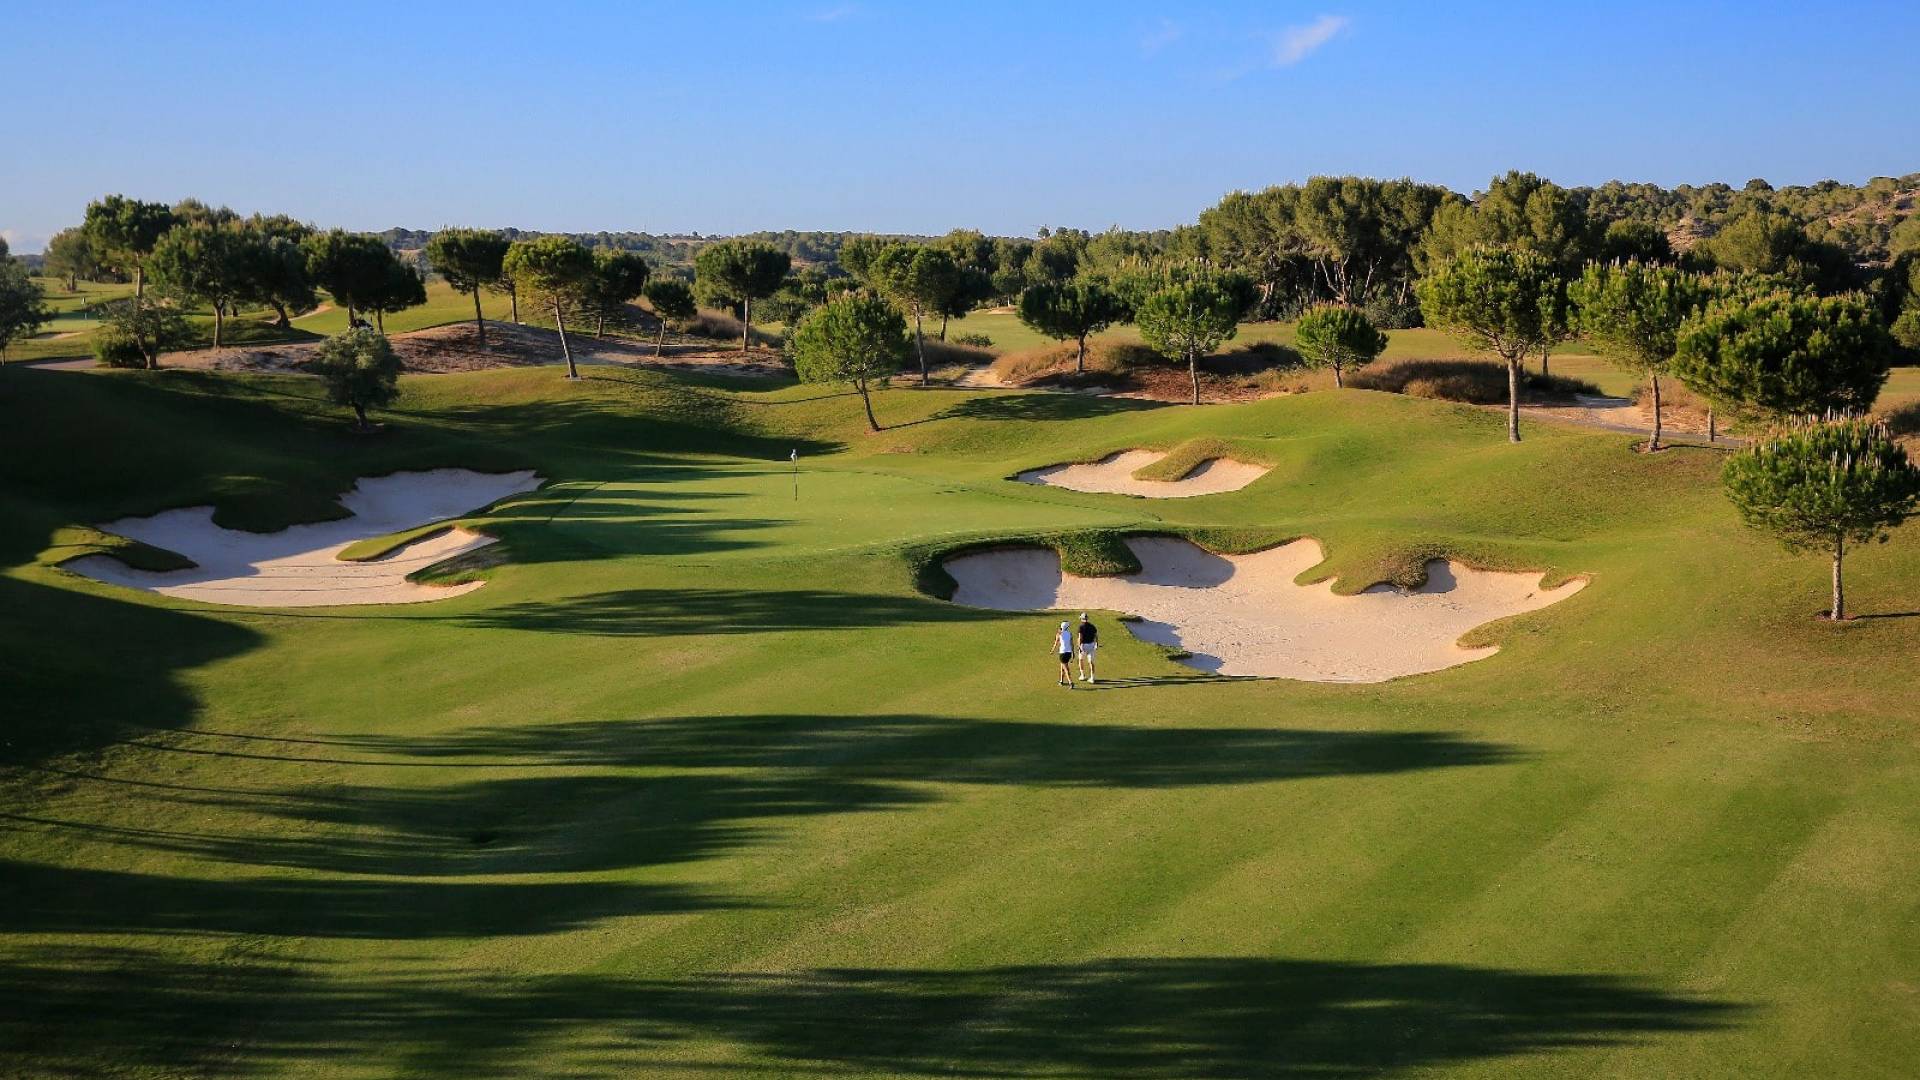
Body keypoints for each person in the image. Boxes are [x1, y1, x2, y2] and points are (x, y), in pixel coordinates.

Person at [1076, 613, 1099, 683]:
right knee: (1091, 662)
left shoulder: (1081, 627)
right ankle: (1092, 678)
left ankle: (1082, 675)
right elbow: (1096, 636)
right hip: (1091, 645)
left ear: (1081, 619)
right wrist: (1096, 643)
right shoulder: (1092, 626)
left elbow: (1080, 637)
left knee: (1080, 659)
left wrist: (1079, 646)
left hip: (1083, 645)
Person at [1054, 621, 1076, 688]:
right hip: (1068, 653)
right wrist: (1073, 653)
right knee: (1062, 666)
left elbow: (1056, 643)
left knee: (1066, 668)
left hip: (1062, 653)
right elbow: (1072, 644)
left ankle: (1070, 682)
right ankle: (1061, 681)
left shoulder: (1059, 634)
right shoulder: (1070, 633)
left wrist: (1052, 650)